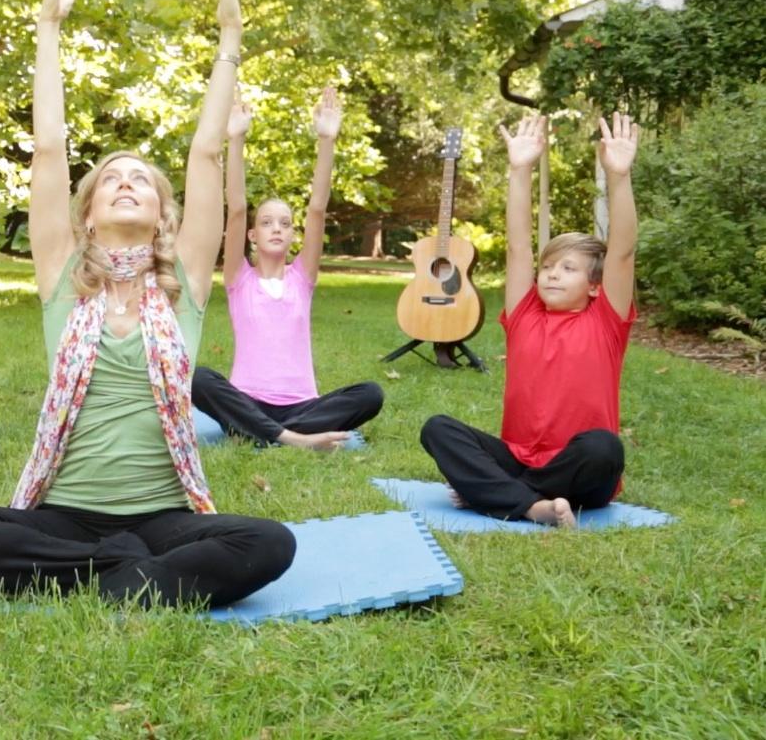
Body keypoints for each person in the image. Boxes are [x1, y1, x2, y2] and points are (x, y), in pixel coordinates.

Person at [0, 0, 296, 608]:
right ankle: (123, 572)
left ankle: (92, 576)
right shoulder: (64, 279)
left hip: (162, 516)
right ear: (85, 214)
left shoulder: (183, 288)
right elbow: (49, 149)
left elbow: (207, 153)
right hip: (66, 514)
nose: (125, 184)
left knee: (270, 542)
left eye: (140, 178)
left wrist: (228, 44)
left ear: (165, 213)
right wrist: (48, 25)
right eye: (111, 178)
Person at [420, 113, 640, 527]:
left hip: (580, 473)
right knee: (438, 429)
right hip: (518, 459)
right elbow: (518, 249)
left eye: (569, 269)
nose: (553, 274)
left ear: (595, 285)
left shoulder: (605, 321)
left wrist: (619, 175)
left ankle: (501, 493)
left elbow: (623, 252)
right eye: (550, 267)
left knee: (604, 448)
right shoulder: (525, 315)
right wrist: (520, 169)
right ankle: (534, 505)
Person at [192, 87, 383, 451]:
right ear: (251, 234)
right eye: (266, 222)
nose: (277, 228)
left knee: (370, 394)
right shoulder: (238, 278)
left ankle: (269, 434)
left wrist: (327, 141)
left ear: (293, 233)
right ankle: (292, 439)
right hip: (247, 401)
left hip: (302, 406)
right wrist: (236, 139)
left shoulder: (302, 278)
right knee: (199, 379)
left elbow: (317, 209)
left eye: (284, 222)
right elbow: (235, 207)